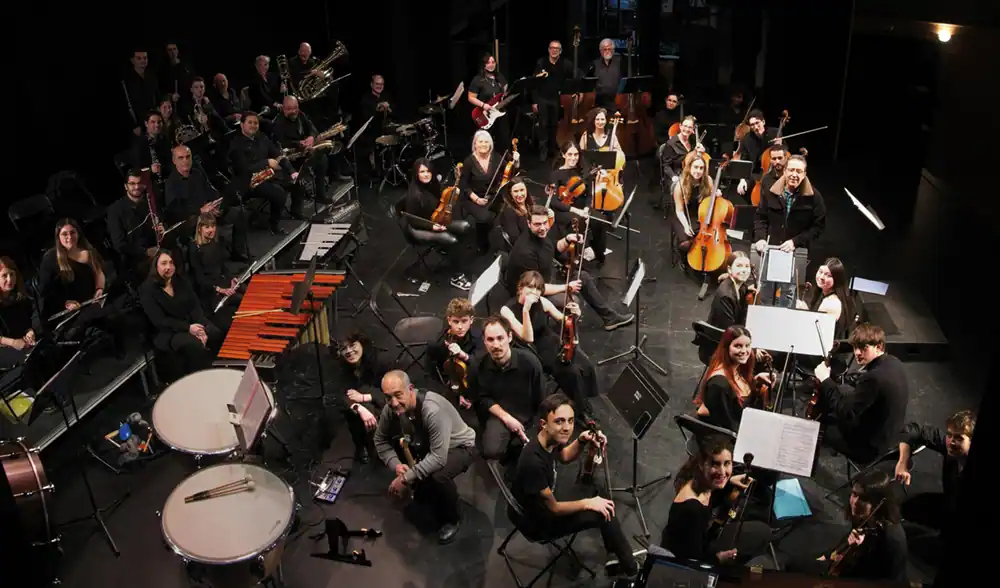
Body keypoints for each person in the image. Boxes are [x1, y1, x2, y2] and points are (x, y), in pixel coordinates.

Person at [511, 392, 640, 577]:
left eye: (571, 421)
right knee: (604, 514)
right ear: (544, 424)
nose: (567, 428)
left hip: (539, 501)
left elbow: (563, 457)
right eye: (560, 421)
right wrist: (589, 503)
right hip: (538, 522)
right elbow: (554, 509)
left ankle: (614, 552)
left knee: (598, 495)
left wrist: (582, 440)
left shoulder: (546, 438)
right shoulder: (533, 463)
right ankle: (632, 569)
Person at [373, 370, 478, 544]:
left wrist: (404, 479)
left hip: (460, 447)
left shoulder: (432, 410)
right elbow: (380, 440)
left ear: (411, 389)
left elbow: (438, 458)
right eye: (388, 397)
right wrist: (396, 465)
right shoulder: (391, 408)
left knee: (436, 475)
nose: (393, 403)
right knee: (423, 493)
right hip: (427, 443)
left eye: (398, 395)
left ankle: (452, 518)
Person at [506, 205, 633, 331]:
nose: (543, 227)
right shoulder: (525, 252)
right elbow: (538, 289)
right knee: (573, 303)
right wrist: (567, 287)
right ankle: (558, 336)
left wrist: (567, 239)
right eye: (537, 224)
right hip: (531, 293)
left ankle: (609, 318)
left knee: (582, 276)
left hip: (544, 280)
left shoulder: (541, 235)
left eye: (545, 222)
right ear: (529, 224)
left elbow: (553, 248)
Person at [783, 471, 907, 581]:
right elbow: (845, 541)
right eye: (854, 494)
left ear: (879, 502)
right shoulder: (864, 518)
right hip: (842, 564)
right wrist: (828, 556)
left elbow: (873, 577)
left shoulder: (891, 540)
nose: (855, 502)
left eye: (863, 498)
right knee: (792, 565)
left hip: (857, 576)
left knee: (794, 569)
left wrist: (854, 552)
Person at [501, 271, 598, 412]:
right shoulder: (507, 309)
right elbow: (527, 337)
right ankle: (581, 409)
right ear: (520, 288)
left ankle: (584, 398)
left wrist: (575, 315)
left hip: (551, 341)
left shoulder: (543, 302)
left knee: (586, 364)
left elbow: (564, 320)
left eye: (538, 289)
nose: (534, 292)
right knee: (572, 372)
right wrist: (526, 310)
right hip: (533, 349)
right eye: (530, 287)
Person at [813, 323, 908, 465]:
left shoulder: (873, 379)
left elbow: (846, 412)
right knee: (843, 391)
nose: (857, 352)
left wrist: (826, 380)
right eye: (855, 347)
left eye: (864, 347)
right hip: (891, 435)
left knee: (822, 424)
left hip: (871, 448)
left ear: (879, 347)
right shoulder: (894, 362)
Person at [661, 435, 761, 564]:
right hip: (687, 558)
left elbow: (712, 490)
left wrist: (729, 481)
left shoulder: (699, 479)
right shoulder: (692, 509)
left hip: (703, 538)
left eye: (727, 463)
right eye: (715, 464)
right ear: (702, 465)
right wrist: (719, 558)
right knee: (759, 534)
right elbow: (693, 559)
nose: (722, 471)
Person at [38, 220, 123, 355]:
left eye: (72, 233)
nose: (69, 237)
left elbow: (99, 272)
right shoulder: (50, 259)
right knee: (103, 314)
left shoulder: (88, 251)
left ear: (78, 233)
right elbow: (46, 292)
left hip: (88, 300)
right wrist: (65, 302)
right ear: (58, 237)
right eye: (64, 234)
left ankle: (116, 348)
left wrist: (99, 289)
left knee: (113, 312)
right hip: (64, 308)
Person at [751, 154, 826, 307]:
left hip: (795, 253)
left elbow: (818, 227)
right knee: (765, 293)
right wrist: (760, 238)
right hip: (771, 251)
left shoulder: (814, 197)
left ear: (804, 174)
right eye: (791, 170)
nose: (794, 175)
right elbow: (760, 217)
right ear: (785, 171)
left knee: (788, 296)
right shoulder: (770, 191)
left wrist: (795, 241)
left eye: (799, 171)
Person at [469, 316, 546, 462]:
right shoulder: (477, 365)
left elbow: (541, 400)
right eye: (490, 340)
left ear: (510, 337)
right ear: (484, 341)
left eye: (500, 338)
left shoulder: (530, 362)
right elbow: (480, 398)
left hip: (528, 416)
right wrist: (507, 418)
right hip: (500, 416)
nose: (496, 345)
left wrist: (539, 428)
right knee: (491, 451)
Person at [139, 249, 221, 377]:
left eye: (171, 263)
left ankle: (217, 369)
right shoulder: (147, 290)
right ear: (155, 266)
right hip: (168, 332)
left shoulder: (180, 280)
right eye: (164, 263)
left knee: (215, 333)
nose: (168, 267)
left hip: (190, 322)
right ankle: (200, 377)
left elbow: (194, 304)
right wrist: (188, 328)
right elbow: (160, 321)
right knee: (193, 344)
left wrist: (200, 326)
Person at [895, 409, 975, 540]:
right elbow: (913, 429)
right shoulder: (950, 447)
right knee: (907, 508)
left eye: (959, 438)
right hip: (949, 503)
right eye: (950, 435)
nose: (952, 442)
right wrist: (903, 463)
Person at [401, 159, 473, 290]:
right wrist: (431, 227)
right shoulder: (414, 194)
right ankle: (456, 277)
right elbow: (412, 220)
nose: (426, 174)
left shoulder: (434, 185)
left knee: (465, 226)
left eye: (428, 171)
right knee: (451, 239)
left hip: (435, 219)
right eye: (422, 172)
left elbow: (443, 199)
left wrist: (453, 192)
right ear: (416, 174)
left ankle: (452, 256)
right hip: (418, 227)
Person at [693, 326, 772, 433]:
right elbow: (729, 426)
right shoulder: (719, 384)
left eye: (747, 346)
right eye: (738, 346)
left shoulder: (738, 366)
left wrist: (756, 381)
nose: (744, 351)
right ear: (726, 347)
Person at [331, 330, 389, 463]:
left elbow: (388, 393)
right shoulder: (341, 367)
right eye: (343, 348)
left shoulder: (379, 363)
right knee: (353, 409)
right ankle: (365, 446)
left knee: (370, 407)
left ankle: (377, 447)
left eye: (352, 345)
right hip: (362, 407)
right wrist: (359, 407)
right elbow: (341, 393)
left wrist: (364, 398)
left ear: (361, 343)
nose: (349, 351)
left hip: (384, 402)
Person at [458, 130, 519, 252]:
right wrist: (476, 199)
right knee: (485, 217)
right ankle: (482, 241)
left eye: (486, 142)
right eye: (480, 142)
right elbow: (463, 185)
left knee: (510, 209)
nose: (483, 144)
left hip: (493, 195)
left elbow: (510, 172)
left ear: (490, 144)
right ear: (475, 144)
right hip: (471, 197)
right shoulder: (469, 161)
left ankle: (511, 241)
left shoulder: (496, 157)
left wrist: (516, 161)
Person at [187, 214, 240, 333]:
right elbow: (199, 278)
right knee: (228, 322)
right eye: (207, 227)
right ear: (199, 228)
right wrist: (219, 289)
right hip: (208, 291)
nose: (211, 230)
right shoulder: (194, 248)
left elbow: (222, 266)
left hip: (221, 283)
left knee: (246, 299)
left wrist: (231, 278)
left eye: (213, 226)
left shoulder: (215, 242)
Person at [425, 298, 481, 408]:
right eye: (456, 321)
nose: (460, 327)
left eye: (464, 321)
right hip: (448, 386)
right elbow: (431, 372)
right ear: (449, 320)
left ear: (471, 320)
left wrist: (463, 355)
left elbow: (480, 365)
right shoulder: (438, 343)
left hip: (474, 387)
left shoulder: (479, 337)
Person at [670, 151, 716, 270]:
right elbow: (679, 211)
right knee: (685, 244)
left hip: (699, 214)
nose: (698, 171)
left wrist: (716, 194)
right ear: (689, 167)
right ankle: (682, 257)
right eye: (695, 167)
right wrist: (686, 226)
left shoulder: (708, 181)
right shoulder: (679, 186)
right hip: (682, 215)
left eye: (701, 168)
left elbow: (711, 200)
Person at [531, 40, 577, 162]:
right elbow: (534, 83)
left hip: (556, 98)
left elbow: (573, 79)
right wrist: (534, 101)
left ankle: (552, 150)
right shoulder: (541, 63)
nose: (554, 50)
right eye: (552, 48)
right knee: (543, 125)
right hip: (542, 98)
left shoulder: (566, 64)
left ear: (560, 51)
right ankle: (543, 152)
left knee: (554, 125)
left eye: (557, 48)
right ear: (548, 50)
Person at [796, 257, 855, 340]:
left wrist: (802, 313)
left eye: (829, 275)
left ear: (836, 280)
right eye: (820, 272)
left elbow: (815, 333)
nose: (822, 277)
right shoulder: (824, 294)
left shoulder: (831, 303)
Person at [468, 53, 511, 148]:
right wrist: (483, 105)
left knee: (504, 136)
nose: (491, 64)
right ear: (483, 65)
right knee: (487, 140)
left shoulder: (499, 77)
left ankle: (504, 155)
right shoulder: (478, 79)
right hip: (486, 113)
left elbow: (505, 90)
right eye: (488, 63)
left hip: (499, 111)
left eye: (493, 62)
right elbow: (471, 97)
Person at [494, 176, 536, 250]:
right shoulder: (509, 212)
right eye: (516, 191)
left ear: (526, 190)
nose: (519, 194)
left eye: (522, 190)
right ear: (510, 193)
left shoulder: (529, 203)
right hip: (526, 247)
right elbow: (516, 240)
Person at [587, 39, 623, 111]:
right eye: (604, 49)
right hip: (600, 103)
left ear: (613, 50)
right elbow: (588, 82)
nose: (607, 51)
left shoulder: (620, 62)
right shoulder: (594, 64)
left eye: (609, 49)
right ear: (600, 51)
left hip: (617, 102)